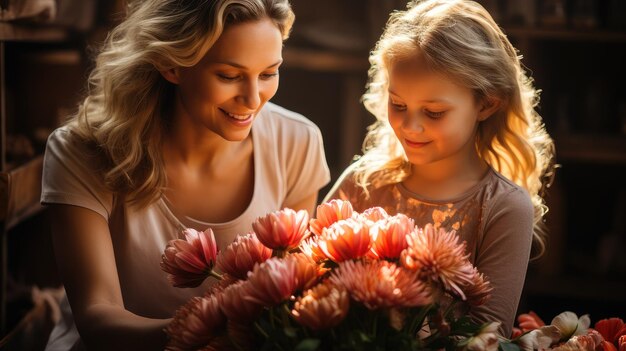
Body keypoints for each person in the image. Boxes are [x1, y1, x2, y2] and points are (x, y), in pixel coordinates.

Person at [41, 0, 330, 349]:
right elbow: (97, 317)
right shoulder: (82, 151)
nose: (253, 99)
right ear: (171, 65)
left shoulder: (297, 141)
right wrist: (218, 333)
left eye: (269, 73)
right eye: (229, 75)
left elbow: (290, 290)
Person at [324, 0, 555, 338]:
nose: (410, 126)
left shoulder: (503, 207)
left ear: (487, 104)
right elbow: (307, 278)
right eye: (398, 104)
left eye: (433, 112)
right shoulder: (363, 182)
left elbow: (486, 335)